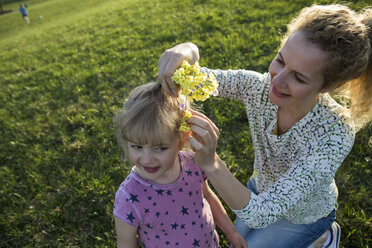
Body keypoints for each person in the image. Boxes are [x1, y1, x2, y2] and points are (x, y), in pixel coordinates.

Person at [157, 4, 372, 248]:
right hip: (258, 188)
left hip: (304, 216)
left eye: (299, 77)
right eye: (280, 60)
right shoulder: (257, 87)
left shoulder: (336, 132)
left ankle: (324, 236)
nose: (277, 80)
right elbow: (200, 79)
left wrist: (211, 163)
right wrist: (186, 50)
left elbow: (262, 213)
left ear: (330, 86)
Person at [112, 82, 247, 247]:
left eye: (160, 148)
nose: (147, 159)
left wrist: (232, 232)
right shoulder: (129, 197)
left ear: (183, 138)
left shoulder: (193, 164)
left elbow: (208, 197)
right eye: (137, 147)